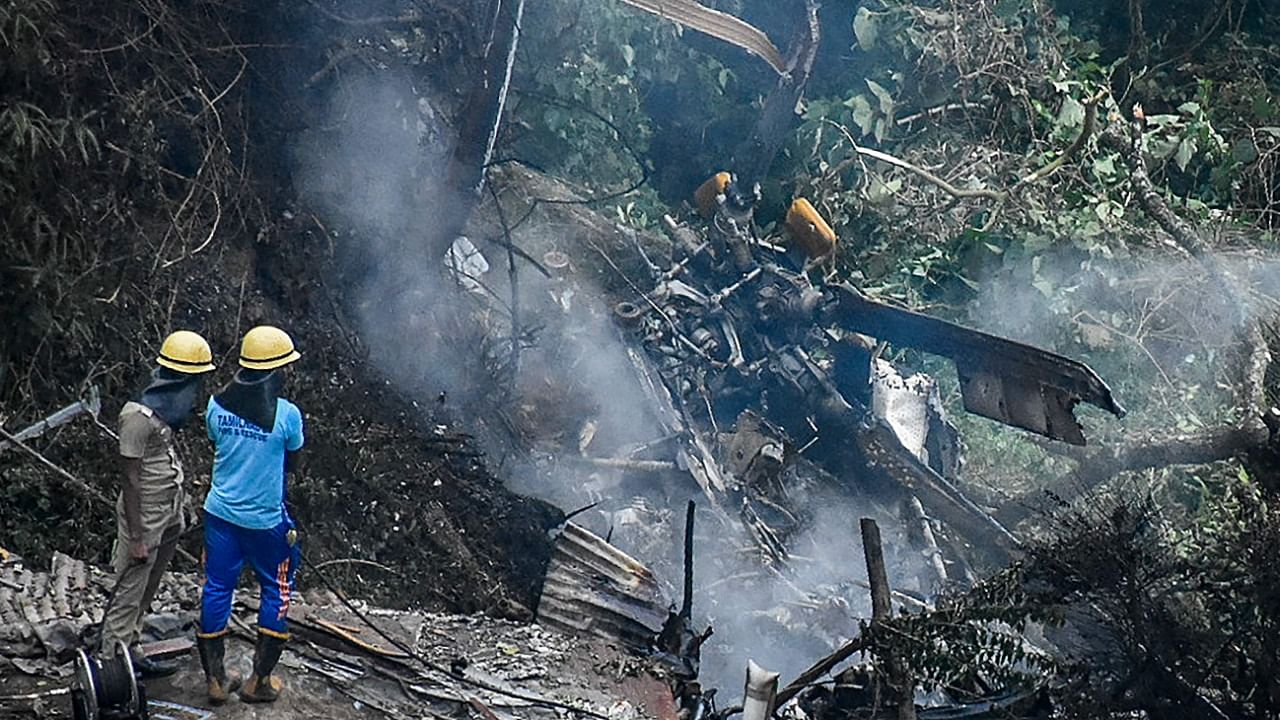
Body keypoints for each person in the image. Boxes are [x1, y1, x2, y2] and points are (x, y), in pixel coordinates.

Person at [196, 325, 304, 704]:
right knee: (276, 588)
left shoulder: (215, 406)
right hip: (265, 523)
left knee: (217, 588)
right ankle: (259, 681)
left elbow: (217, 442)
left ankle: (214, 680)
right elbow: (292, 461)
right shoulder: (288, 416)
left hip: (220, 516)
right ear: (275, 371)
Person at [99, 330, 215, 675]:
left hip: (167, 508)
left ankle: (131, 648)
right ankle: (112, 664)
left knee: (149, 584)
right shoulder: (136, 417)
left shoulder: (163, 412)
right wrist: (136, 536)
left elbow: (162, 457)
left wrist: (181, 505)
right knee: (130, 585)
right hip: (145, 512)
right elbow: (131, 478)